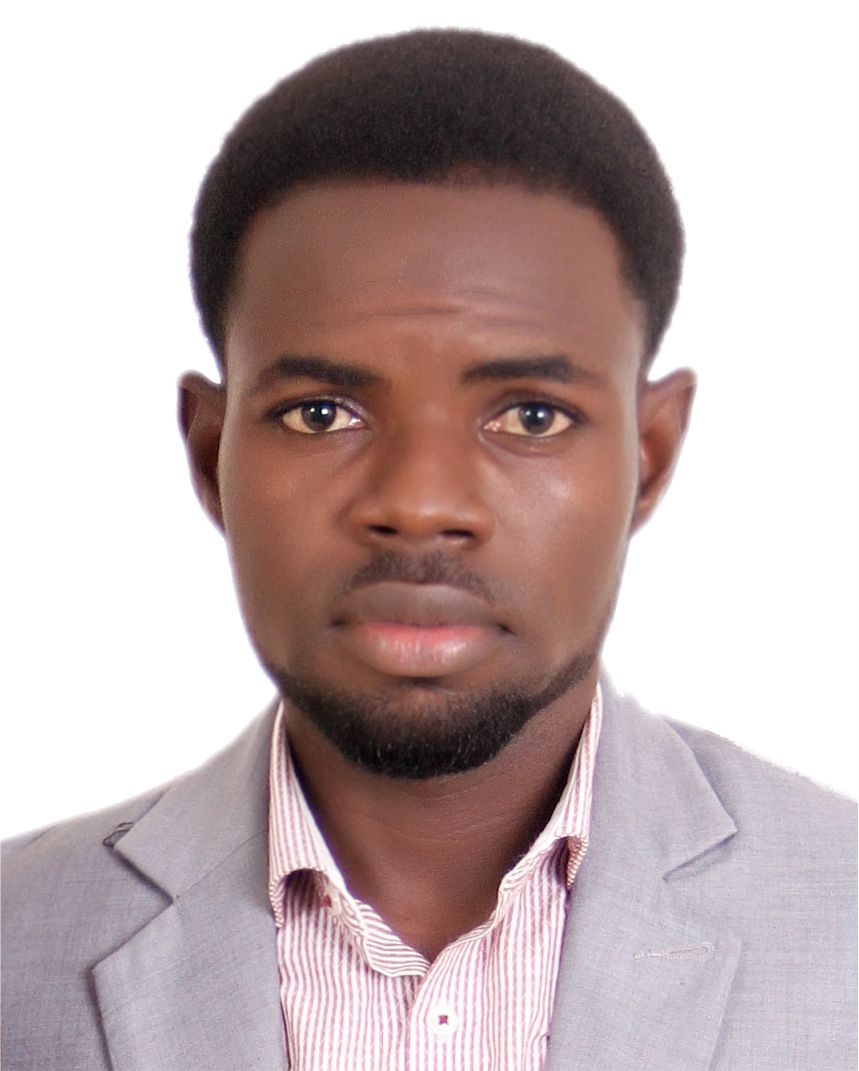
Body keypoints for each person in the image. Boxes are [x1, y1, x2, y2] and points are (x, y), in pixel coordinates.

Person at [2, 28, 855, 1071]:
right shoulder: (18, 938)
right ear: (210, 453)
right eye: (321, 412)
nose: (417, 505)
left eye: (530, 416)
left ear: (650, 456)